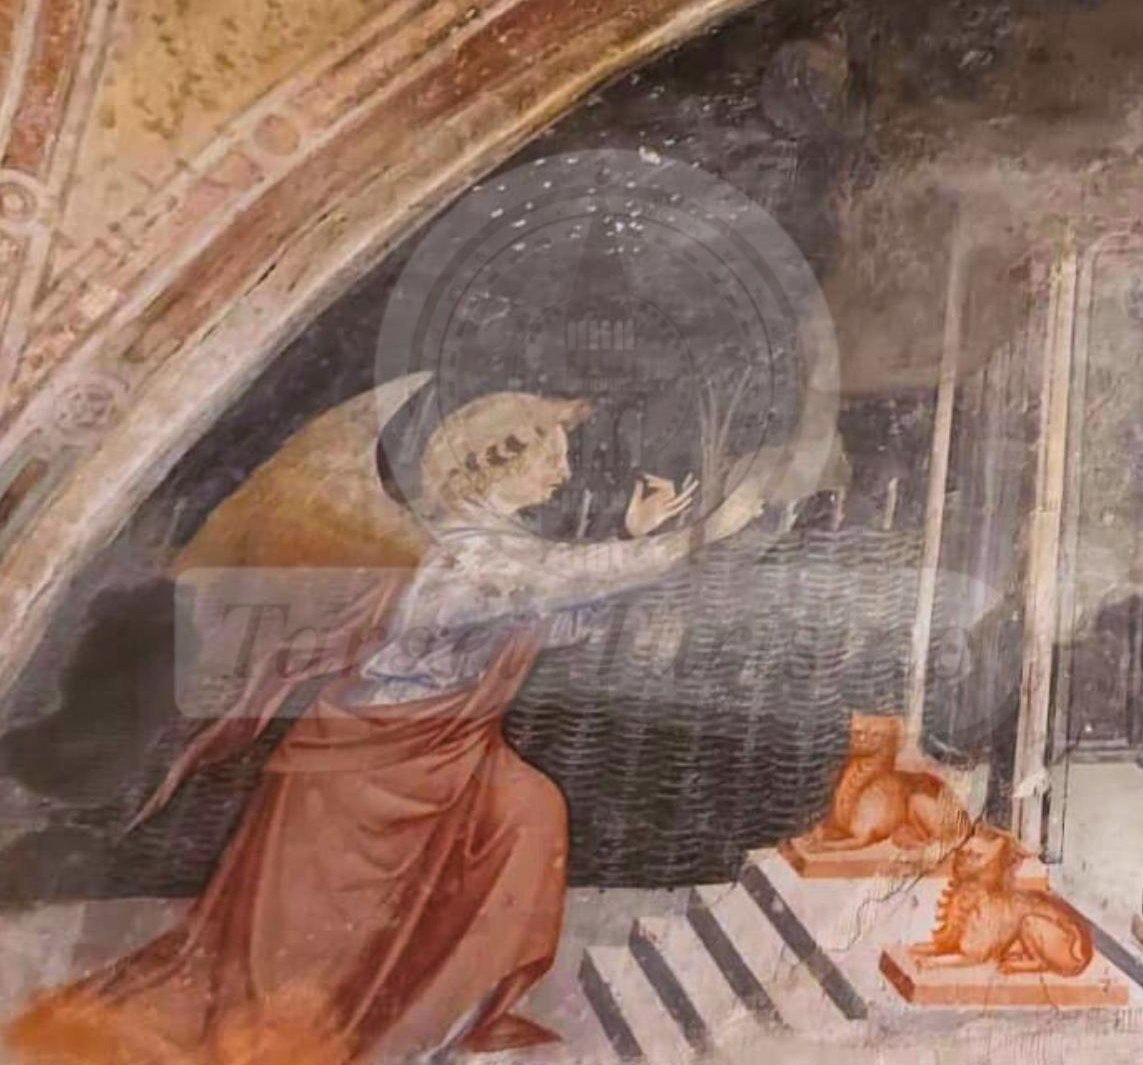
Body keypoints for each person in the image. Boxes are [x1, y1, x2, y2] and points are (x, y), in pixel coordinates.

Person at [7, 390, 764, 1065]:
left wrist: (630, 539)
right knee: (300, 971)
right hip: (371, 764)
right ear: (495, 461)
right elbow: (560, 584)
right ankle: (373, 1023)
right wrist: (701, 534)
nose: (563, 473)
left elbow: (552, 618)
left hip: (450, 754)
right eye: (551, 455)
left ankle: (435, 1010)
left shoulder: (505, 552)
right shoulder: (465, 559)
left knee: (528, 815)